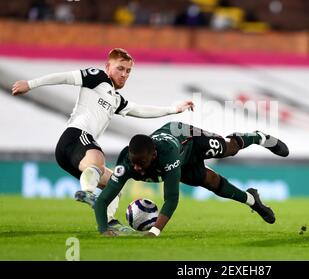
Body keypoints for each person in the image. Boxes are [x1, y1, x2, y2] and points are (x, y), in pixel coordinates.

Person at [11, 48, 194, 231]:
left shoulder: (115, 98)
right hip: (75, 136)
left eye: (128, 71)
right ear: (108, 66)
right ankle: (88, 193)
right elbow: (66, 77)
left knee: (114, 185)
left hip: (76, 152)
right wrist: (30, 83)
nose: (124, 75)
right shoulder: (97, 77)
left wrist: (173, 109)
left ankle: (109, 223)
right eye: (120, 69)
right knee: (98, 159)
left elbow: (139, 110)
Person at [92, 121, 289, 236]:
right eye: (134, 162)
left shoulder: (166, 154)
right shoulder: (126, 162)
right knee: (210, 182)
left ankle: (259, 137)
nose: (136, 167)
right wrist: (103, 229)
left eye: (141, 163)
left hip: (189, 138)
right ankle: (253, 200)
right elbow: (103, 200)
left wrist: (154, 233)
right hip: (181, 160)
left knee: (228, 149)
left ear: (153, 155)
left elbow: (171, 199)